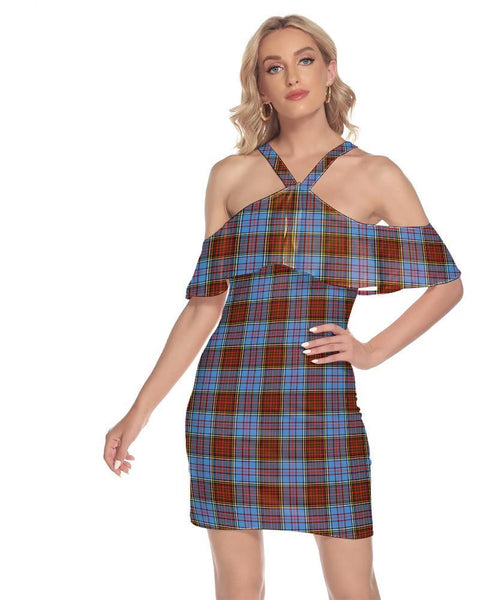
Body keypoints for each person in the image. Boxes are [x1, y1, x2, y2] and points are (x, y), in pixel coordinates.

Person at [104, 14, 463, 600]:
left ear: (330, 70)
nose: (293, 76)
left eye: (305, 60)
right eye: (275, 67)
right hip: (228, 401)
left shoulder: (375, 174)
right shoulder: (230, 176)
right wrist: (137, 413)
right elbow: (203, 307)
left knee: (353, 587)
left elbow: (446, 283)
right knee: (238, 586)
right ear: (260, 86)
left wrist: (370, 352)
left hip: (320, 399)